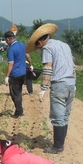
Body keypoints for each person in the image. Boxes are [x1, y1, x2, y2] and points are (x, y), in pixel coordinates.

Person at [27, 23, 76, 154]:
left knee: (58, 116)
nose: (38, 49)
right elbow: (73, 66)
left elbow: (48, 68)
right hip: (71, 83)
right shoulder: (64, 46)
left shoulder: (47, 48)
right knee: (65, 115)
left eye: (37, 46)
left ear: (40, 42)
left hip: (59, 84)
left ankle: (58, 146)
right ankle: (61, 143)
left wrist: (43, 88)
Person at [3, 31, 27, 118]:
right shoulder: (22, 44)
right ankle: (19, 109)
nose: (6, 42)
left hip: (15, 74)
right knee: (19, 92)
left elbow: (11, 64)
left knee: (14, 93)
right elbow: (27, 55)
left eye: (6, 40)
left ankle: (19, 111)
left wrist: (6, 76)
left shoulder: (11, 49)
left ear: (8, 39)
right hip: (23, 73)